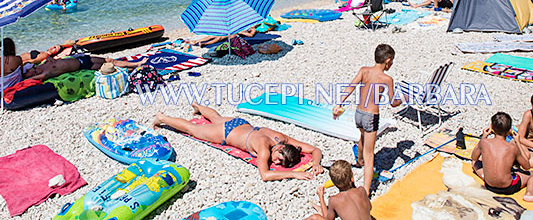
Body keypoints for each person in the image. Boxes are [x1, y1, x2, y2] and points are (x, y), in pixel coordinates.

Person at [153, 104, 323, 181]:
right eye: (279, 158)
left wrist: (316, 163)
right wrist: (293, 174)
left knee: (217, 118)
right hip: (226, 133)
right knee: (192, 129)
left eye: (280, 163)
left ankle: (198, 106)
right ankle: (162, 117)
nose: (276, 162)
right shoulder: (264, 149)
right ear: (280, 148)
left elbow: (315, 150)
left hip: (241, 123)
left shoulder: (284, 139)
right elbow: (265, 175)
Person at [333, 44, 403, 195]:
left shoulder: (364, 70)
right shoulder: (387, 79)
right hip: (371, 116)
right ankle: (366, 190)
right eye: (392, 61)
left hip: (358, 114)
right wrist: (403, 99)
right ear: (388, 61)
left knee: (362, 135)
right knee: (370, 154)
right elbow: (392, 102)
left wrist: (338, 103)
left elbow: (350, 87)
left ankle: (359, 161)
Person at [470, 112, 533, 205]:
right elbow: (527, 167)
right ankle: (529, 193)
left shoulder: (484, 142)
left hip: (489, 184)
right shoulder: (512, 148)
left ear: (491, 127)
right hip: (507, 187)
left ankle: (485, 176)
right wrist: (518, 143)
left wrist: (484, 136)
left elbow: (473, 157)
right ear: (510, 130)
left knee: (475, 163)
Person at [0, 41, 77, 95]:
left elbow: (31, 60)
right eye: (53, 46)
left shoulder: (45, 55)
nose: (52, 48)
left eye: (55, 48)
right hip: (12, 60)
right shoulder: (43, 51)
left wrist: (15, 62)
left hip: (15, 62)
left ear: (55, 53)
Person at [306, 160, 372, 220]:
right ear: (352, 177)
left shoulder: (334, 200)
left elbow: (328, 219)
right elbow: (369, 207)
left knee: (315, 217)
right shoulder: (361, 190)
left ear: (333, 182)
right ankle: (321, 210)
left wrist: (321, 196)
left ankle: (321, 210)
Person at [24, 54, 145, 81]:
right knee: (110, 65)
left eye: (28, 69)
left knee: (109, 60)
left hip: (81, 58)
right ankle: (135, 66)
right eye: (27, 72)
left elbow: (49, 57)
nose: (29, 70)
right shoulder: (46, 72)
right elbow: (43, 76)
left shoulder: (42, 64)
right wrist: (27, 79)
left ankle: (135, 64)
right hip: (84, 65)